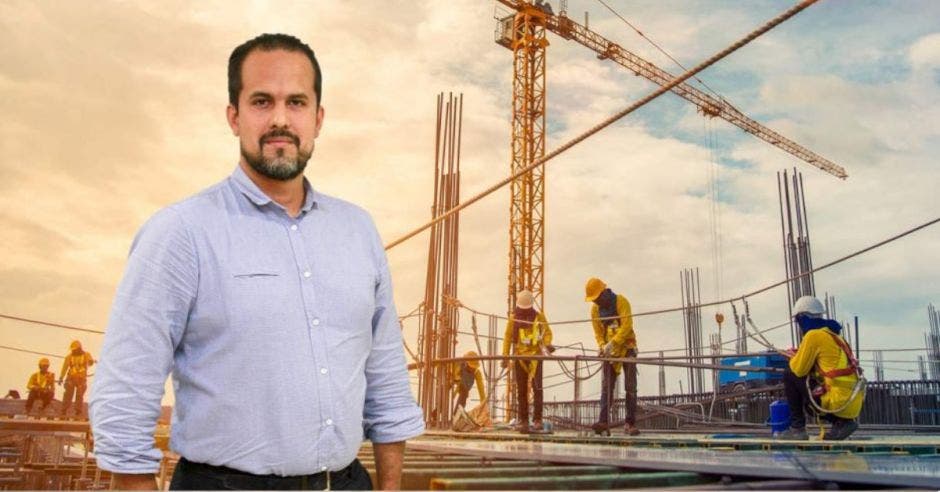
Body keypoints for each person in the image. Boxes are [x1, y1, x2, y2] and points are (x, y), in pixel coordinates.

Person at [89, 33, 424, 490]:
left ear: (319, 118)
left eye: (298, 103)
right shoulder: (182, 232)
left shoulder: (357, 231)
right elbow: (126, 387)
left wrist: (390, 487)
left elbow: (385, 375)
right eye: (262, 101)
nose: (281, 120)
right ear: (234, 116)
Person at [776, 295, 864, 441]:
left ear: (802, 318)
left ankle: (797, 429)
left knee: (789, 374)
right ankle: (842, 423)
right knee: (800, 375)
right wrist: (800, 354)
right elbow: (827, 367)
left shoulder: (813, 335)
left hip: (837, 401)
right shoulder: (834, 335)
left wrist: (793, 358)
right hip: (851, 403)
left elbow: (799, 370)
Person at [585, 277, 640, 436]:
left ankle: (630, 423)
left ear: (603, 292)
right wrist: (602, 345)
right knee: (606, 387)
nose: (595, 302)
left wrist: (613, 343)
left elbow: (627, 326)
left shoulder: (621, 302)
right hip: (610, 351)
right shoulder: (595, 310)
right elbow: (598, 332)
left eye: (596, 298)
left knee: (630, 388)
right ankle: (603, 421)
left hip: (627, 348)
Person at [501, 290, 553, 433]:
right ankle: (523, 420)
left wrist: (547, 344)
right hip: (520, 357)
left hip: (536, 357)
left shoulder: (538, 317)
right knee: (522, 390)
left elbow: (547, 332)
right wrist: (505, 356)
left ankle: (537, 420)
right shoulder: (514, 318)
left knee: (538, 389)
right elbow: (507, 337)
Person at [59, 340, 94, 419]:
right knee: (68, 394)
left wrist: (91, 361)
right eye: (73, 350)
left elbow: (90, 362)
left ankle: (78, 412)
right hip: (71, 378)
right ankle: (64, 410)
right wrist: (61, 377)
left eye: (75, 349)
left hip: (81, 378)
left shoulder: (86, 355)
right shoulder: (69, 357)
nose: (73, 351)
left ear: (79, 348)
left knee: (79, 395)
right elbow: (64, 367)